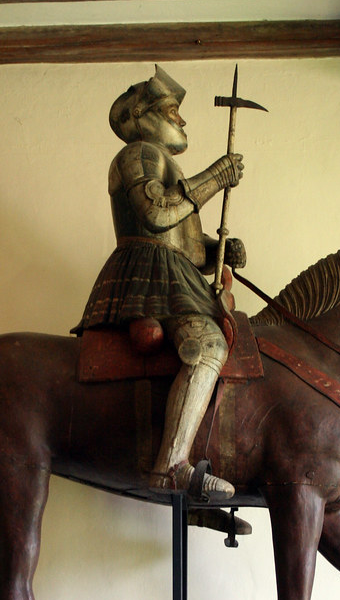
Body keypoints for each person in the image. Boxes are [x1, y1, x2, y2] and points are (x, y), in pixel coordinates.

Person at [73, 66, 246, 502]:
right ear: (142, 114)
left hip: (173, 273)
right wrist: (215, 177)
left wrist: (216, 252)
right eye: (173, 110)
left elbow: (182, 243)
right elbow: (156, 214)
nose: (182, 120)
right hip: (146, 273)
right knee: (207, 347)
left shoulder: (163, 160)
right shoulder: (139, 156)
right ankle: (170, 466)